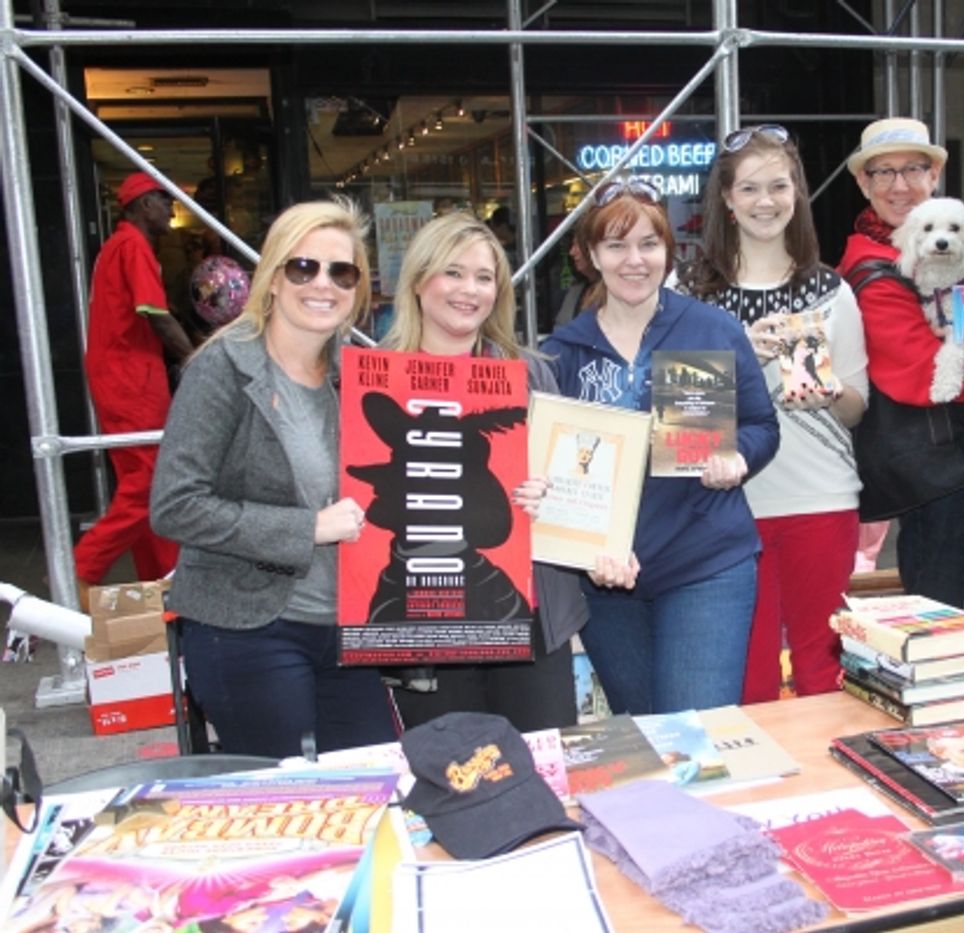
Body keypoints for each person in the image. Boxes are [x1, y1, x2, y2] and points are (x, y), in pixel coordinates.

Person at [150, 198, 399, 758]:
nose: (323, 284)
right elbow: (175, 505)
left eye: (342, 272)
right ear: (273, 277)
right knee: (285, 795)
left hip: (348, 627)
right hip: (247, 628)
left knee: (373, 781)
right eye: (303, 267)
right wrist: (307, 528)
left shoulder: (361, 376)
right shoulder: (222, 369)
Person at [540, 178, 780, 714]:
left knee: (698, 734)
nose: (634, 261)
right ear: (591, 256)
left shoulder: (711, 330)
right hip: (606, 580)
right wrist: (583, 550)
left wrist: (739, 456)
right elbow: (550, 475)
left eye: (649, 244)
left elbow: (763, 425)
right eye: (616, 245)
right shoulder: (563, 353)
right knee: (647, 736)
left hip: (705, 562)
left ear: (668, 252)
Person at [674, 124, 868, 702]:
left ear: (797, 193)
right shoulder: (687, 291)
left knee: (822, 672)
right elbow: (682, 429)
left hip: (821, 499)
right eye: (750, 188)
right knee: (745, 677)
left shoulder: (832, 291)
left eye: (779, 186)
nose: (766, 202)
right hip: (725, 507)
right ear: (727, 198)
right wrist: (740, 359)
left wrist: (829, 390)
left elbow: (858, 409)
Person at [377, 211, 588, 732]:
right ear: (418, 279)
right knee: (453, 771)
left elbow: (575, 488)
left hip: (525, 614)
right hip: (424, 619)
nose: (468, 290)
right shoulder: (375, 376)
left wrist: (552, 496)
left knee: (541, 765)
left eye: (484, 277)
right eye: (453, 272)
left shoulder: (531, 373)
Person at [835, 117, 964, 636]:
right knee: (937, 644)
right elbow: (920, 373)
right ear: (863, 183)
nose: (899, 185)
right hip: (944, 483)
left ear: (934, 176)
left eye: (913, 169)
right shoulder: (870, 271)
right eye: (883, 172)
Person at [74, 172, 195, 603]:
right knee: (151, 482)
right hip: (130, 378)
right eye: (165, 201)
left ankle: (162, 581)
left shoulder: (119, 246)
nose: (171, 211)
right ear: (145, 204)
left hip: (123, 375)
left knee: (142, 482)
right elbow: (156, 314)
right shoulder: (133, 247)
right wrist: (196, 358)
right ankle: (82, 566)